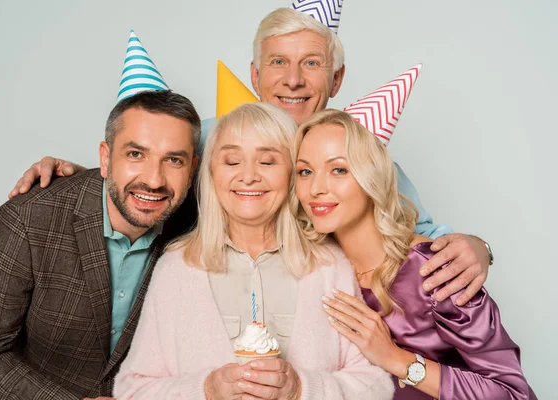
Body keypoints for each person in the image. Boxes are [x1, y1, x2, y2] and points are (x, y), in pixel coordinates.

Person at [7, 6, 493, 307]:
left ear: (337, 81)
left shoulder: (361, 156)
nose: (294, 80)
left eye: (312, 64)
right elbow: (149, 175)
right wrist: (74, 174)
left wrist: (478, 246)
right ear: (255, 77)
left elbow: (424, 236)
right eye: (278, 63)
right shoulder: (210, 138)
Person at [113, 102, 394, 399]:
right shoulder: (177, 269)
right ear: (210, 172)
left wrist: (301, 390)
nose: (248, 176)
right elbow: (132, 390)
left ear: (293, 173)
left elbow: (376, 386)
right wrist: (205, 391)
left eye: (268, 162)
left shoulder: (329, 265)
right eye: (232, 161)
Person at [0, 90, 201, 399]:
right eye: (135, 154)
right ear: (105, 156)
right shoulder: (28, 219)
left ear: (192, 170)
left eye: (173, 160)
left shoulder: (197, 225)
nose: (154, 179)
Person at [293, 109, 536, 399]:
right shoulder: (314, 271)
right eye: (305, 171)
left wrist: (394, 358)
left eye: (339, 169)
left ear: (372, 175)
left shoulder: (433, 270)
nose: (316, 188)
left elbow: (512, 393)